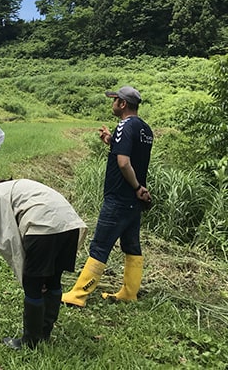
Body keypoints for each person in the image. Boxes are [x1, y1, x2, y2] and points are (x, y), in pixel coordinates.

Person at [0, 179, 87, 349]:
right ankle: (44, 333)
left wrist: (27, 277)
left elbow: (10, 241)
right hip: (69, 224)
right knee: (53, 279)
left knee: (33, 285)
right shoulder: (9, 188)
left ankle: (29, 342)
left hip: (44, 224)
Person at [61, 86, 153, 307]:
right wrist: (111, 142)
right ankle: (129, 292)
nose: (112, 104)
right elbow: (129, 154)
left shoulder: (124, 125)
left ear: (122, 104)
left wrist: (136, 186)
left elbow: (123, 162)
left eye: (114, 100)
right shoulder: (146, 129)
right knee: (131, 245)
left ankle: (78, 295)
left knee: (100, 245)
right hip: (133, 202)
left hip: (120, 197)